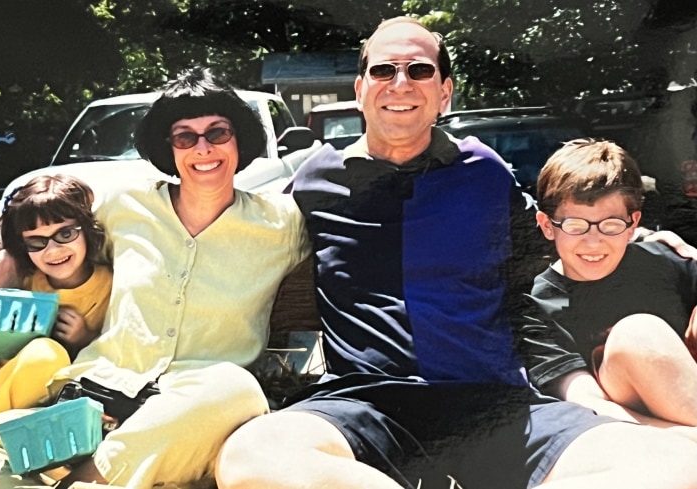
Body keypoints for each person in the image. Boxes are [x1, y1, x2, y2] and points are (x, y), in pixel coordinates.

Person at [216, 16, 697, 489]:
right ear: (360, 88)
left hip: (492, 406)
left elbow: (554, 228)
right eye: (384, 70)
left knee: (677, 467)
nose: (400, 83)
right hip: (365, 403)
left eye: (419, 70)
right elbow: (234, 229)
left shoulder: (483, 172)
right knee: (251, 458)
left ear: (444, 92)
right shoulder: (317, 179)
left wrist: (638, 234)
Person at [0, 67, 310, 489]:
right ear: (169, 148)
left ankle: (79, 481)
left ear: (239, 138)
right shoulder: (124, 205)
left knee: (237, 388)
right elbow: (39, 237)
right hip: (92, 395)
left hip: (189, 410)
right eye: (185, 137)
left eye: (218, 133)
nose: (203, 149)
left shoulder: (282, 223)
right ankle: (63, 463)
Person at [519, 138, 697, 432]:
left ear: (632, 224)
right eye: (575, 226)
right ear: (548, 225)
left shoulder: (664, 262)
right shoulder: (536, 306)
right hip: (634, 424)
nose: (593, 241)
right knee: (638, 334)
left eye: (611, 225)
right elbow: (588, 402)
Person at [0, 174, 111, 417]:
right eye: (37, 242)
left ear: (87, 230)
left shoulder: (109, 284)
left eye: (66, 234)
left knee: (45, 354)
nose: (53, 250)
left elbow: (120, 350)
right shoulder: (24, 275)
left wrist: (85, 338)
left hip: (32, 403)